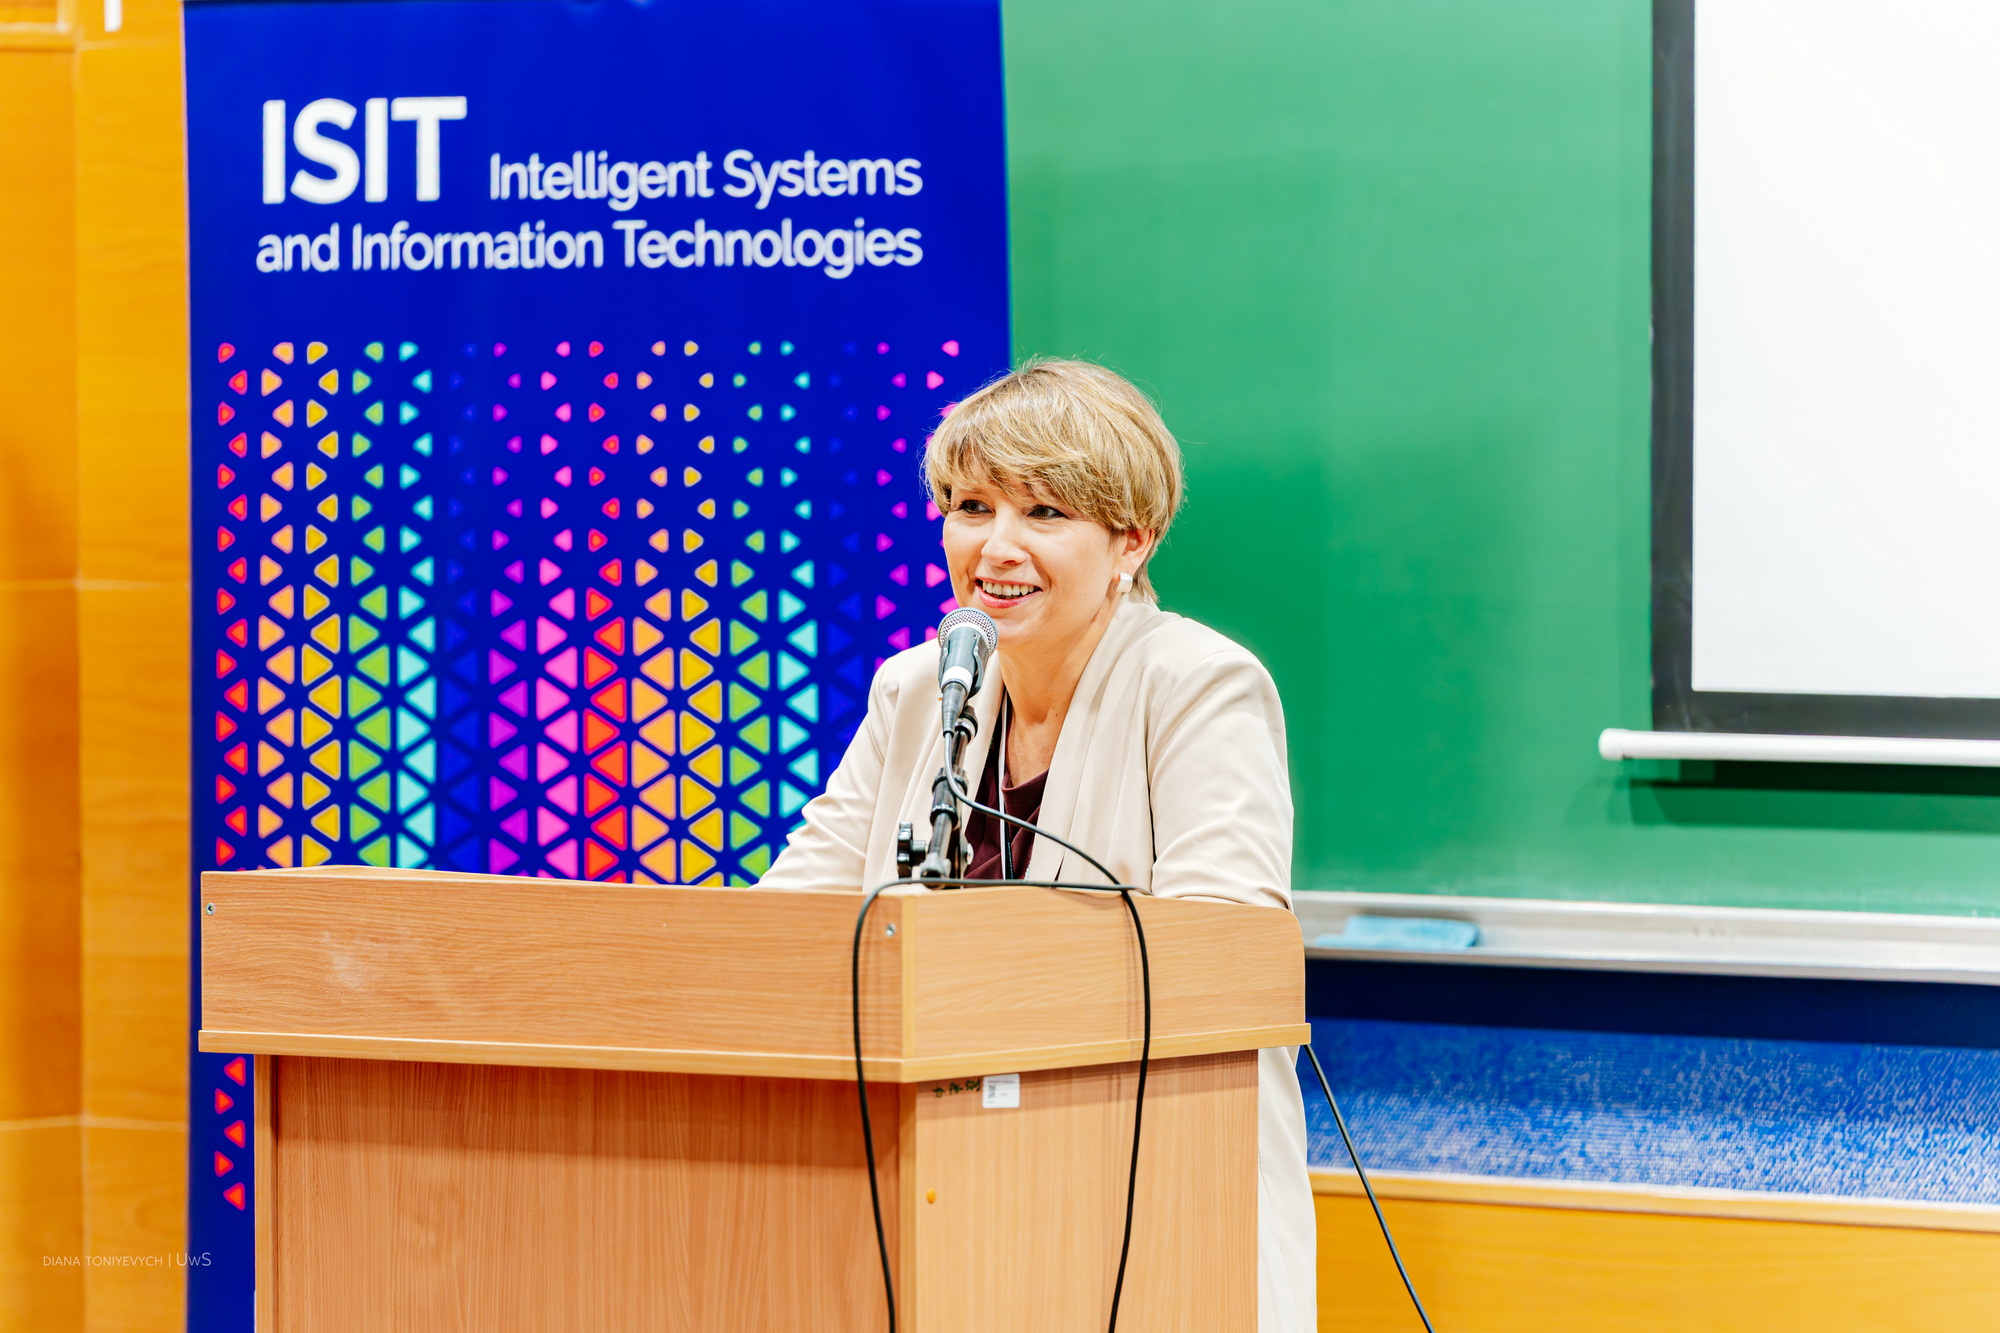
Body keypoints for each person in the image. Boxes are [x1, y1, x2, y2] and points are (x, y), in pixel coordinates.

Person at [757, 357, 1316, 1332]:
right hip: (939, 1193)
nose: (996, 547)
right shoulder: (919, 688)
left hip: (1154, 1195)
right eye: (972, 507)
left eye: (1044, 513)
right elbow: (785, 925)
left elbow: (1224, 954)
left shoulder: (1196, 684)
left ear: (1131, 540)